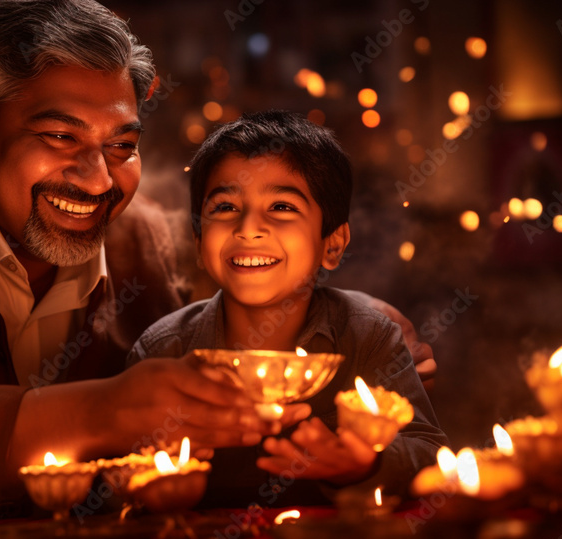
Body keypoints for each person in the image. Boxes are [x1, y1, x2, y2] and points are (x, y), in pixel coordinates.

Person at [0, 0, 434, 510]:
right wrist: (101, 412)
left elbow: (256, 269)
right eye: (60, 136)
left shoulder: (141, 234)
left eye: (121, 145)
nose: (98, 179)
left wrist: (349, 315)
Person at [127, 111, 448, 506]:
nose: (248, 229)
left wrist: (365, 465)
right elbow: (111, 481)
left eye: (281, 207)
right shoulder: (164, 351)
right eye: (225, 207)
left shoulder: (368, 338)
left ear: (332, 244)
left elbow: (430, 455)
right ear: (198, 243)